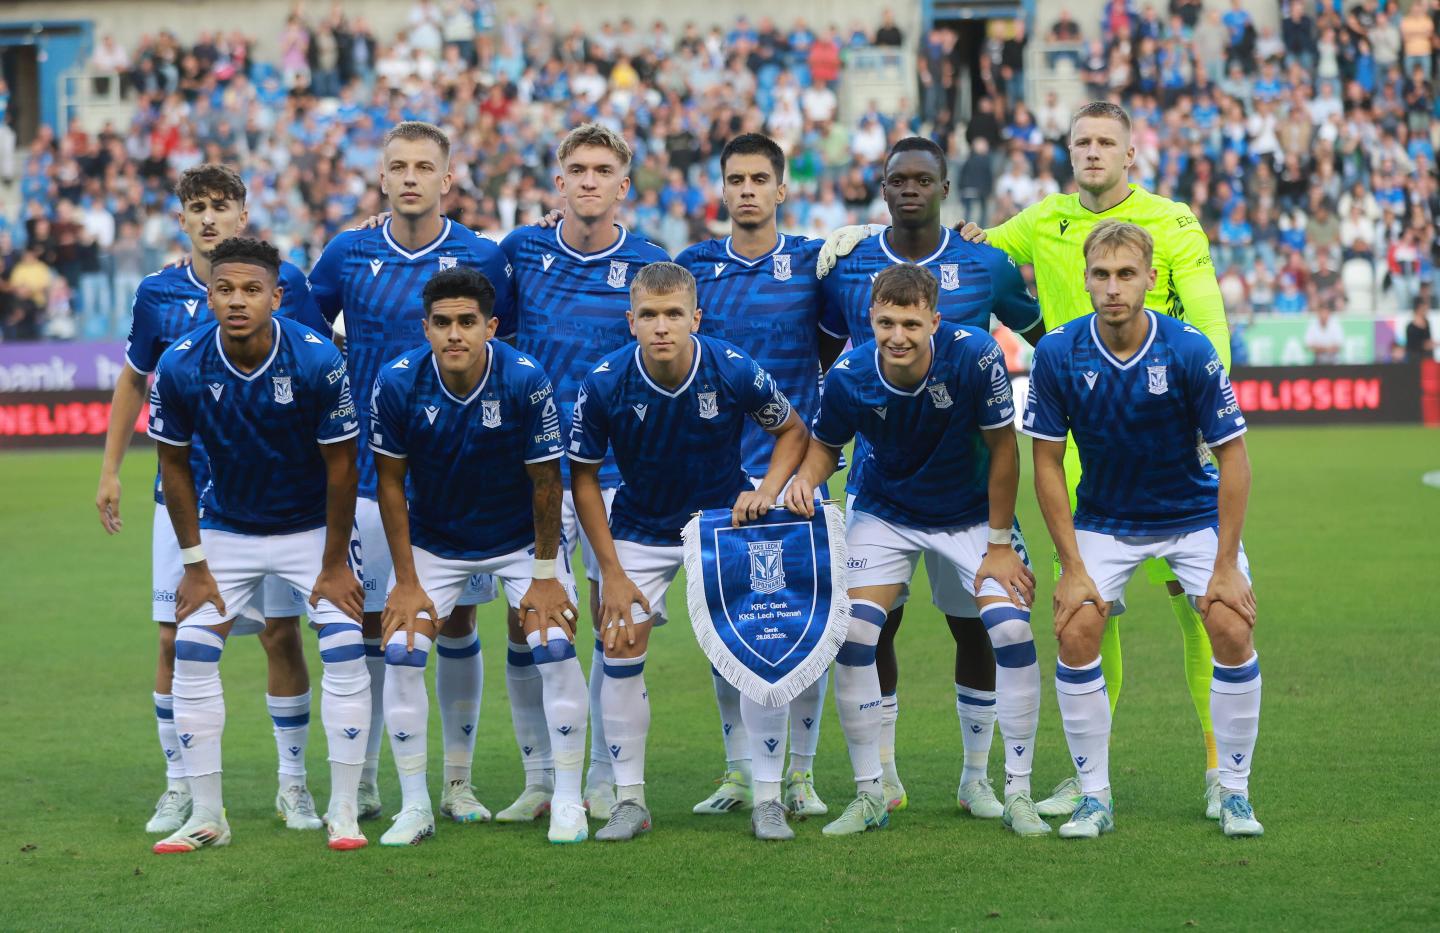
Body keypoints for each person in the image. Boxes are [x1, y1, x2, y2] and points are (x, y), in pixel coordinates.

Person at [959, 101, 1234, 819]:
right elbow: (972, 253)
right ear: (1067, 150)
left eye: (1106, 141)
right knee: (1086, 616)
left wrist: (1211, 413)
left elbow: (1208, 318)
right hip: (1083, 453)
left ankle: (1217, 765)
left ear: (1131, 153)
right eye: (1081, 140)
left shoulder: (1172, 221)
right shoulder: (1041, 219)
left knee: (1204, 614)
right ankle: (1090, 778)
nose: (1092, 151)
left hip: (1173, 447)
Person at [95, 164, 327, 838]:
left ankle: (293, 784)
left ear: (243, 214)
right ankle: (179, 786)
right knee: (175, 636)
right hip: (186, 498)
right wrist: (110, 469)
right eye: (196, 207)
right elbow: (133, 382)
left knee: (282, 634)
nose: (208, 219)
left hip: (275, 496)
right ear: (181, 217)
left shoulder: (287, 284)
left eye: (221, 206)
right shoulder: (157, 293)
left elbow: (314, 366)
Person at [816, 136, 1044, 820]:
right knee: (871, 630)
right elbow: (824, 355)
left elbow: (1046, 334)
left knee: (974, 628)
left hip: (967, 488)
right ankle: (880, 778)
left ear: (946, 186)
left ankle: (979, 777)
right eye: (896, 179)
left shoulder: (984, 262)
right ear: (881, 188)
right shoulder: (849, 263)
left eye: (922, 179)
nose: (909, 189)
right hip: (881, 483)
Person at [1021, 220, 1263, 839]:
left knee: (1231, 626)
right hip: (1105, 520)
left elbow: (1233, 458)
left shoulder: (1187, 350)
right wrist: (1072, 566)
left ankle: (1233, 791)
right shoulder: (1057, 353)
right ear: (1085, 280)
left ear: (1151, 280)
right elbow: (1045, 461)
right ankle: (1094, 797)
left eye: (1126, 274)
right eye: (1101, 275)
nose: (1113, 287)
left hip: (1191, 517)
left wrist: (1226, 563)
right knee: (1076, 630)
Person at [309, 121, 515, 826]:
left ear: (446, 179)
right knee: (377, 621)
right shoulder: (348, 251)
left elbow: (505, 346)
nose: (409, 177)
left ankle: (457, 781)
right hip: (370, 475)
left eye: (424, 166)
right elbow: (309, 336)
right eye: (397, 165)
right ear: (381, 176)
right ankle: (365, 777)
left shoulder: (482, 254)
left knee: (456, 617)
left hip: (461, 478)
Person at [569, 262, 809, 841]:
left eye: (673, 313)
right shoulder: (604, 382)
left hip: (723, 524)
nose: (661, 326)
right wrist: (611, 571)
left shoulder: (729, 367)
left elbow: (793, 431)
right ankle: (630, 800)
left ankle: (769, 798)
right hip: (639, 531)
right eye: (648, 315)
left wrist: (766, 491)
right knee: (620, 644)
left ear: (695, 317)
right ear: (631, 321)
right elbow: (582, 478)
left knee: (761, 650)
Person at [147, 237, 372, 853]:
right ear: (209, 296)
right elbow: (174, 468)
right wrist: (194, 565)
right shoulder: (180, 364)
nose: (238, 301)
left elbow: (343, 467)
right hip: (227, 530)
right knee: (192, 654)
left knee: (346, 649)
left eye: (252, 290)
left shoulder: (318, 360)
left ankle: (344, 810)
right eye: (225, 289)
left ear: (277, 296)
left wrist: (332, 564)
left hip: (309, 533)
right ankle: (208, 815)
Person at [369, 267, 590, 845]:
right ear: (425, 329)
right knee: (401, 651)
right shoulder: (395, 383)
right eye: (442, 324)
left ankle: (567, 799)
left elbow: (547, 483)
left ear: (490, 326)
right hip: (435, 543)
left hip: (518, 541)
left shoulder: (524, 378)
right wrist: (408, 580)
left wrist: (544, 576)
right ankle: (415, 805)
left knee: (554, 644)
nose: (455, 334)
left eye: (468, 322)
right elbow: (390, 484)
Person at [500, 123, 670, 823]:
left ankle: (602, 774)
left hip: (618, 471)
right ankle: (540, 775)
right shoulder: (521, 250)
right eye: (578, 168)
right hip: (535, 467)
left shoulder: (650, 262)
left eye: (604, 169)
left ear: (624, 185)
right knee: (526, 620)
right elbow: (492, 334)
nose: (590, 179)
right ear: (559, 182)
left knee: (613, 618)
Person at [675, 133, 847, 821]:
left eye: (759, 179)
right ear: (722, 189)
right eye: (735, 179)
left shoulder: (813, 264)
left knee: (808, 622)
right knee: (726, 629)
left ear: (782, 189)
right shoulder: (693, 266)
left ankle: (800, 776)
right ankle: (740, 770)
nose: (746, 189)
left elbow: (834, 350)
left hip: (798, 469)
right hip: (718, 472)